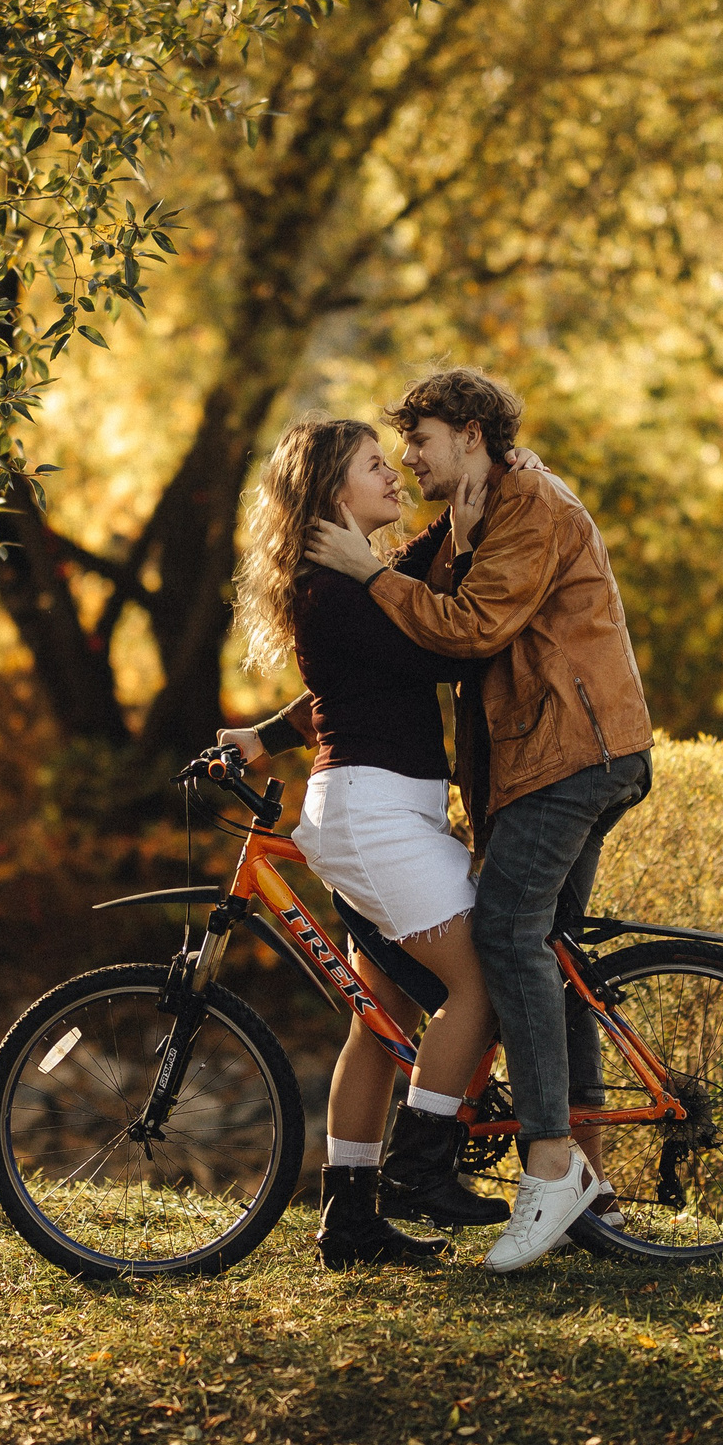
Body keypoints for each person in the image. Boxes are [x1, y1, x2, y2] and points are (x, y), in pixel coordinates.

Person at [302, 367, 654, 1274]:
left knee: (504, 940)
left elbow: (465, 630)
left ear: (468, 433)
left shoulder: (524, 504)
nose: (409, 460)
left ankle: (545, 1167)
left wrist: (371, 572)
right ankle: (588, 1179)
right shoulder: (474, 514)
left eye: (416, 442)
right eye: (391, 452)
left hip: (570, 755)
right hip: (537, 763)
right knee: (549, 953)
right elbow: (362, 670)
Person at [218, 416, 516, 1269]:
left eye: (391, 461)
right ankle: (419, 1168)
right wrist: (440, 550)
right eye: (372, 465)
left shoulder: (352, 580)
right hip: (374, 815)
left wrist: (458, 510)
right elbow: (432, 648)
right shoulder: (330, 585)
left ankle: (349, 1219)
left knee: (378, 1013)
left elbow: (352, 675)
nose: (392, 474)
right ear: (331, 490)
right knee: (482, 982)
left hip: (387, 812)